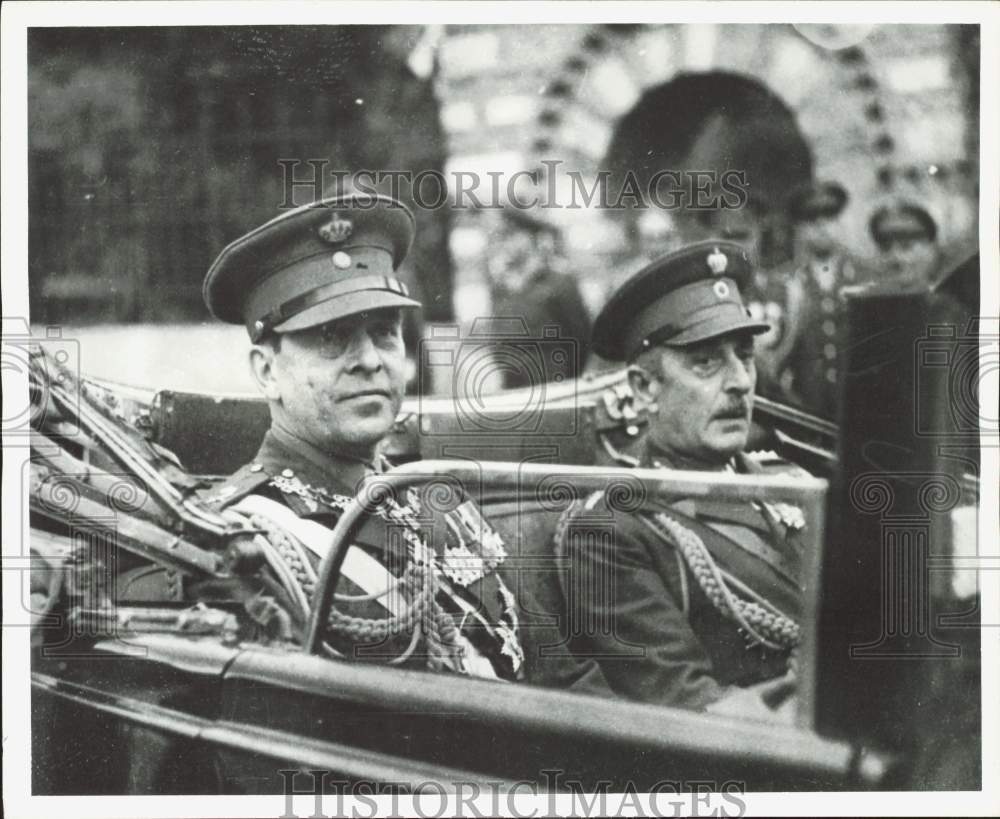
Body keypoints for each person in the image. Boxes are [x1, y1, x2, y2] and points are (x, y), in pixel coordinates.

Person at [201, 193, 607, 690]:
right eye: (331, 337)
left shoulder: (437, 496)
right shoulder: (246, 541)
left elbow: (563, 676)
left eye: (384, 333)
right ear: (267, 372)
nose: (369, 360)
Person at [555, 240, 806, 718]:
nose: (740, 381)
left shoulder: (786, 480)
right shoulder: (613, 529)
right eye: (706, 362)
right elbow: (691, 709)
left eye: (745, 355)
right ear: (645, 388)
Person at [764, 180, 871, 417]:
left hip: (862, 406)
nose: (822, 226)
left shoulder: (865, 276)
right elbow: (774, 355)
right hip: (806, 409)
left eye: (830, 218)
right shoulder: (783, 282)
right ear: (799, 227)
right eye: (812, 220)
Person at [487, 209, 592, 388]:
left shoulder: (559, 282)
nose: (505, 244)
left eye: (512, 236)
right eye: (501, 237)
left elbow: (582, 339)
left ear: (532, 238)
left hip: (552, 386)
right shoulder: (501, 285)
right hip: (511, 389)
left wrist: (567, 382)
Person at [869, 199, 941, 288]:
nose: (895, 257)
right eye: (885, 248)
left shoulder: (949, 299)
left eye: (906, 246)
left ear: (931, 251)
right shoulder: (865, 299)